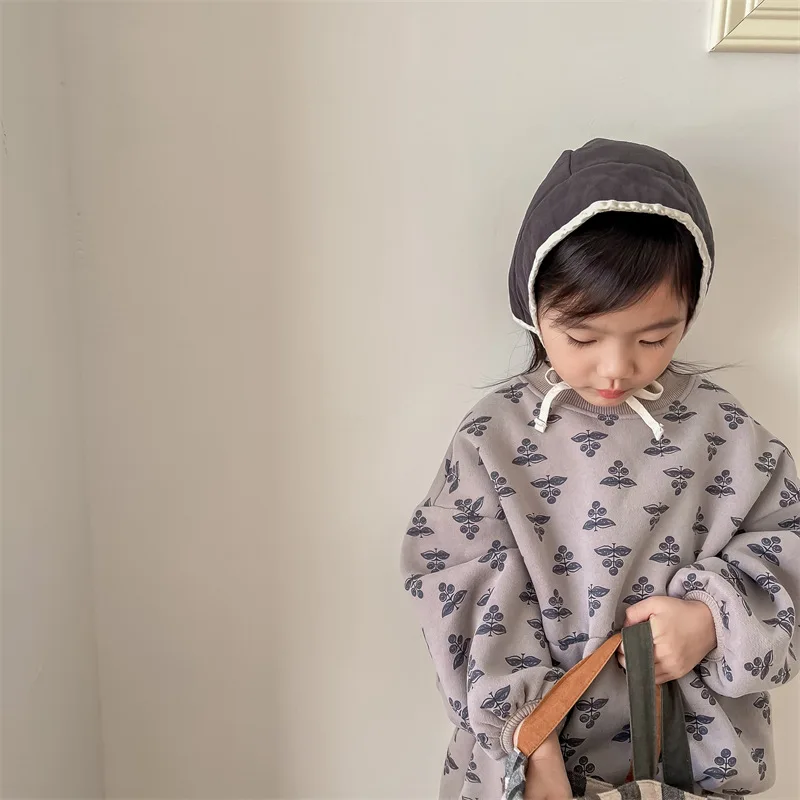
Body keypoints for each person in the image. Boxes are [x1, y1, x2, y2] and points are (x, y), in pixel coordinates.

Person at [400, 139, 799, 800]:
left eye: (655, 337)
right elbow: (457, 582)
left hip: (692, 763)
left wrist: (712, 617)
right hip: (535, 769)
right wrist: (527, 740)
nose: (616, 368)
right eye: (582, 337)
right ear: (533, 306)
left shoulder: (723, 432)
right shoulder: (492, 440)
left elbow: (788, 542)